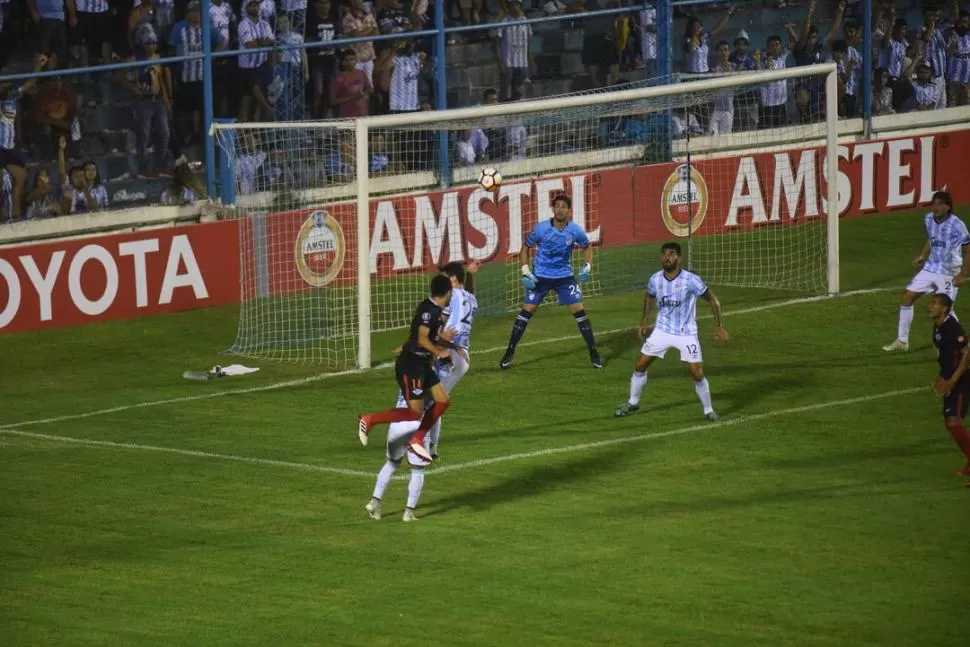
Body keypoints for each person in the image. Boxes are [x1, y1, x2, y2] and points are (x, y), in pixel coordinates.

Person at [365, 262, 479, 522]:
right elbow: (440, 330)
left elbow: (425, 335)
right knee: (419, 463)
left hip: (401, 415)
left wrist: (419, 345)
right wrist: (444, 348)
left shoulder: (410, 367)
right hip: (456, 359)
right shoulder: (469, 298)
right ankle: (409, 512)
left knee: (392, 462)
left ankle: (375, 502)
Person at [615, 242, 728, 421]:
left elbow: (712, 299)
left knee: (697, 373)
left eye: (671, 254)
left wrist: (719, 325)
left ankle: (708, 410)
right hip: (662, 331)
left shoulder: (690, 280)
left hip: (686, 333)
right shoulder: (655, 279)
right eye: (664, 254)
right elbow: (649, 297)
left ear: (678, 258)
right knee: (640, 366)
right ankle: (633, 402)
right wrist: (643, 322)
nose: (667, 258)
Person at [357, 274, 457, 463]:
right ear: (448, 292)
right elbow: (421, 338)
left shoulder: (431, 308)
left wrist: (449, 348)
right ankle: (369, 420)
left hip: (422, 363)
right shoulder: (431, 311)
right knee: (414, 412)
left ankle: (417, 439)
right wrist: (438, 352)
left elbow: (420, 336)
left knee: (443, 401)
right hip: (411, 365)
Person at [500, 194, 601, 369]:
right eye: (557, 206)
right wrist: (525, 270)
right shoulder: (541, 229)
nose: (560, 209)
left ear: (569, 211)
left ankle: (593, 352)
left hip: (564, 277)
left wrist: (588, 265)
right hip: (541, 277)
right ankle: (510, 351)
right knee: (526, 312)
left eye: (564, 206)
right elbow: (525, 246)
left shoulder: (575, 230)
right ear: (553, 209)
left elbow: (587, 246)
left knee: (579, 311)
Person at [884, 192, 969, 352]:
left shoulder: (957, 225)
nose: (936, 207)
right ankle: (902, 341)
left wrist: (963, 274)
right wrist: (922, 255)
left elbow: (969, 249)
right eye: (934, 203)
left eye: (940, 204)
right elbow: (931, 238)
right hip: (931, 267)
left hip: (949, 270)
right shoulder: (928, 219)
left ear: (948, 206)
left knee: (944, 309)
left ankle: (963, 342)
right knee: (907, 296)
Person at [927, 293, 970, 481]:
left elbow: (966, 355)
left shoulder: (953, 328)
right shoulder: (938, 327)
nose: (930, 306)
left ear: (944, 309)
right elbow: (945, 356)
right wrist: (942, 377)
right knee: (950, 424)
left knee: (953, 422)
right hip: (950, 379)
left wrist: (952, 380)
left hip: (961, 379)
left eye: (934, 304)